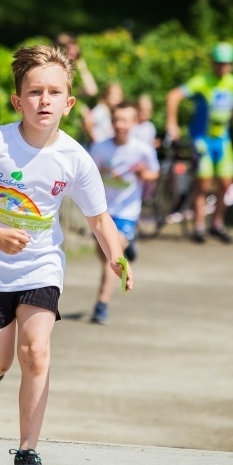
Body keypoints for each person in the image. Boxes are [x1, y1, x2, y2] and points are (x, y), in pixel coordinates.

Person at [0, 44, 132, 465]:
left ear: (69, 102)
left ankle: (28, 452)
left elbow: (99, 218)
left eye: (54, 92)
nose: (43, 101)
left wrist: (116, 256)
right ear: (17, 100)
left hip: (41, 267)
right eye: (34, 92)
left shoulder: (75, 158)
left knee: (36, 351)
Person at [89, 102, 159, 325]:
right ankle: (130, 247)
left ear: (134, 122)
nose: (119, 125)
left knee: (113, 256)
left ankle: (102, 305)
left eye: (124, 121)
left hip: (127, 212)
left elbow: (154, 174)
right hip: (102, 213)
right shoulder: (100, 148)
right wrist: (98, 172)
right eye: (115, 120)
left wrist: (143, 175)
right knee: (104, 258)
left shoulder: (142, 149)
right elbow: (89, 177)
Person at [166, 42, 233, 244]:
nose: (222, 67)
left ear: (231, 65)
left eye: (226, 63)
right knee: (204, 183)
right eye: (218, 63)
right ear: (212, 63)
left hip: (223, 140)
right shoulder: (201, 81)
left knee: (226, 183)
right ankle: (199, 226)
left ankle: (217, 224)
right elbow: (173, 96)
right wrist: (172, 124)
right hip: (202, 140)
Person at [55, 33, 98, 99]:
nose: (72, 53)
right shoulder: (54, 66)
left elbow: (92, 91)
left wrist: (80, 63)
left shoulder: (77, 71)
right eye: (68, 49)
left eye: (75, 51)